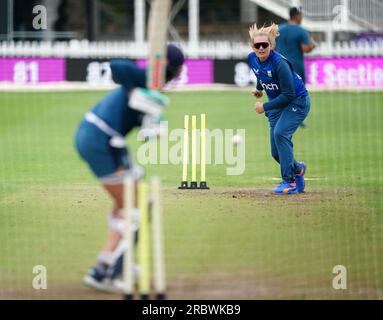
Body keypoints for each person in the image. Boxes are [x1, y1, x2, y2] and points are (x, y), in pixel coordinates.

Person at [74, 44, 184, 292]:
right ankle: (107, 272)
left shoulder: (155, 94)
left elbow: (147, 132)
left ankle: (112, 262)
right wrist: (140, 85)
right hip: (101, 139)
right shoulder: (142, 78)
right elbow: (116, 66)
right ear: (175, 70)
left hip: (104, 140)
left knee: (131, 203)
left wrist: (154, 121)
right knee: (138, 209)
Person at [248, 23, 309, 195]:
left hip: (297, 101)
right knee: (276, 153)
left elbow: (289, 95)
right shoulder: (251, 58)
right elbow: (260, 72)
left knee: (280, 134)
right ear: (252, 47)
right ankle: (298, 169)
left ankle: (289, 182)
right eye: (257, 45)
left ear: (272, 46)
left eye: (264, 45)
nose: (260, 48)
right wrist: (260, 88)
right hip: (276, 103)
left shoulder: (280, 64)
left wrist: (264, 106)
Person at [276, 7, 317, 84]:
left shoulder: (279, 29)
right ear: (297, 16)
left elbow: (272, 46)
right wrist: (313, 45)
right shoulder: (301, 31)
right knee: (298, 93)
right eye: (301, 15)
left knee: (282, 92)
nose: (302, 17)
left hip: (279, 66)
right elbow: (306, 49)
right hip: (295, 67)